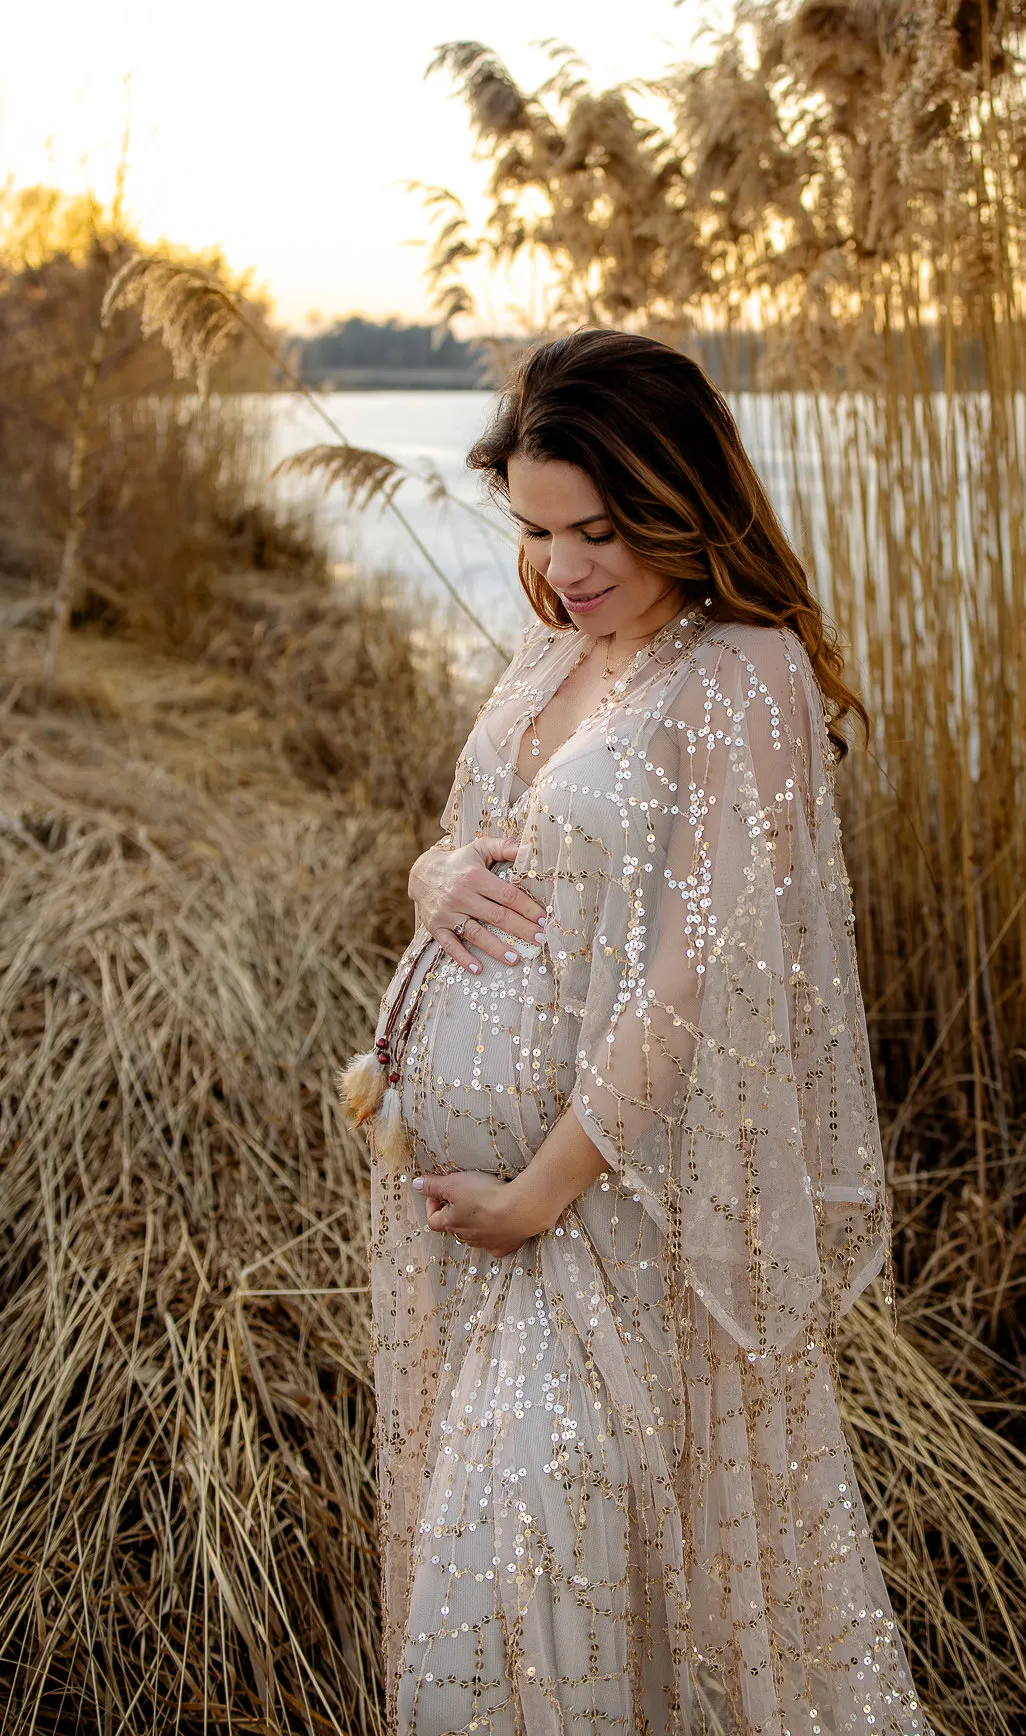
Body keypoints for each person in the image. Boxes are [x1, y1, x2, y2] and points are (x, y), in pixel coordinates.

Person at [343, 329, 931, 1735]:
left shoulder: (743, 672)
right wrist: (431, 879)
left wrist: (540, 1194)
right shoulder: (558, 655)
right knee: (522, 1593)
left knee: (523, 1572)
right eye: (537, 531)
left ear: (681, 499)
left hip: (611, 1223)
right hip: (477, 1229)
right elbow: (473, 843)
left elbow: (693, 971)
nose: (561, 567)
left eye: (598, 529)